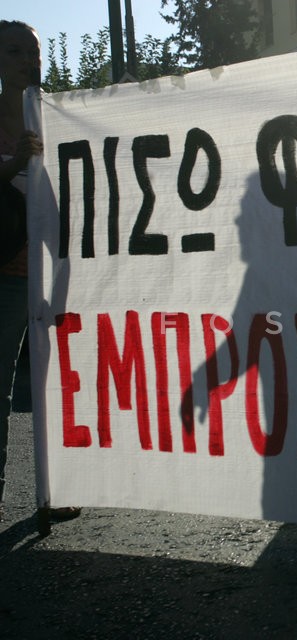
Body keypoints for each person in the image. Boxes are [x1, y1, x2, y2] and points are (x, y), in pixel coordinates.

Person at [0, 19, 78, 523]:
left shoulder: (58, 116)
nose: (28, 60)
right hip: (7, 276)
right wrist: (14, 165)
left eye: (33, 51)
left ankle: (54, 488)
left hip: (52, 275)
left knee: (59, 383)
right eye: (14, 52)